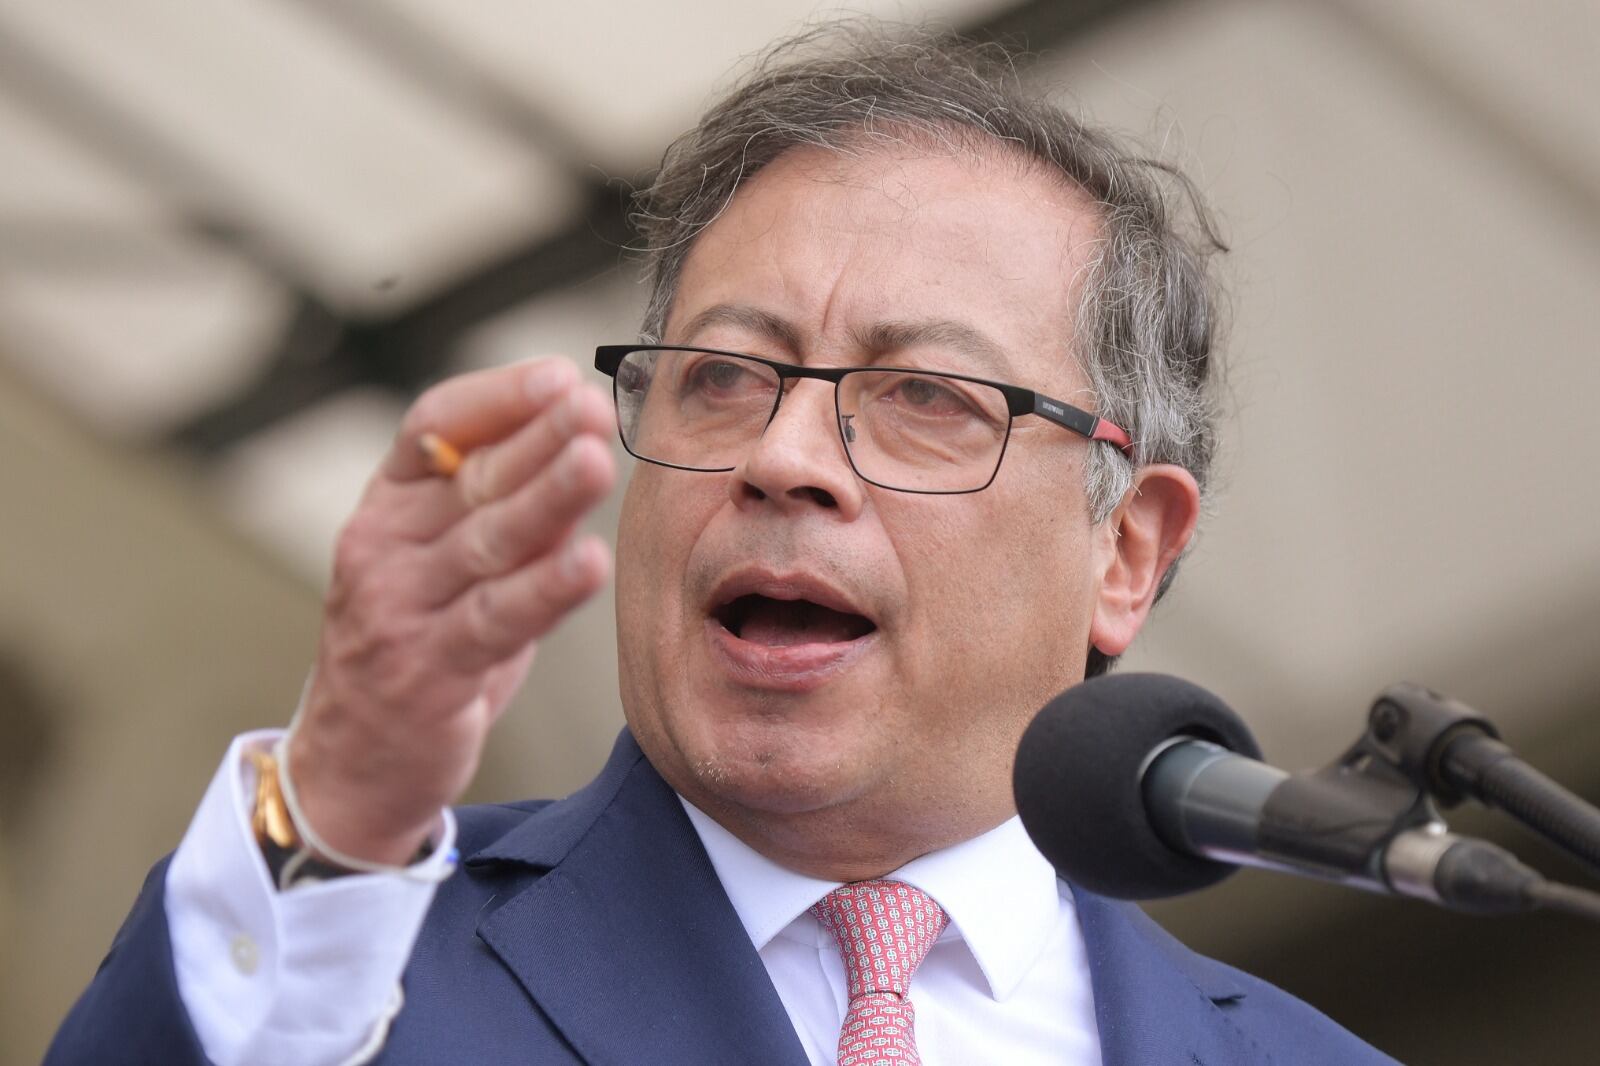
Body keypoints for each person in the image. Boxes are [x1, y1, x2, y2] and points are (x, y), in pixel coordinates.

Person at [48, 24, 1398, 1066]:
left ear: (1128, 551)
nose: (784, 456)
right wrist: (339, 791)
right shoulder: (346, 966)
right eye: (724, 375)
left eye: (924, 396)